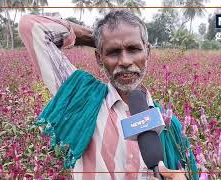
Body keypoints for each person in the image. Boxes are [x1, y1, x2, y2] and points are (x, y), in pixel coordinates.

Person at [18, 10, 198, 180]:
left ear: (147, 52)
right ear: (99, 58)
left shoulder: (169, 125)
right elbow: (31, 27)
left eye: (134, 49)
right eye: (113, 52)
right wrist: (97, 37)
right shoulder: (82, 98)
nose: (125, 61)